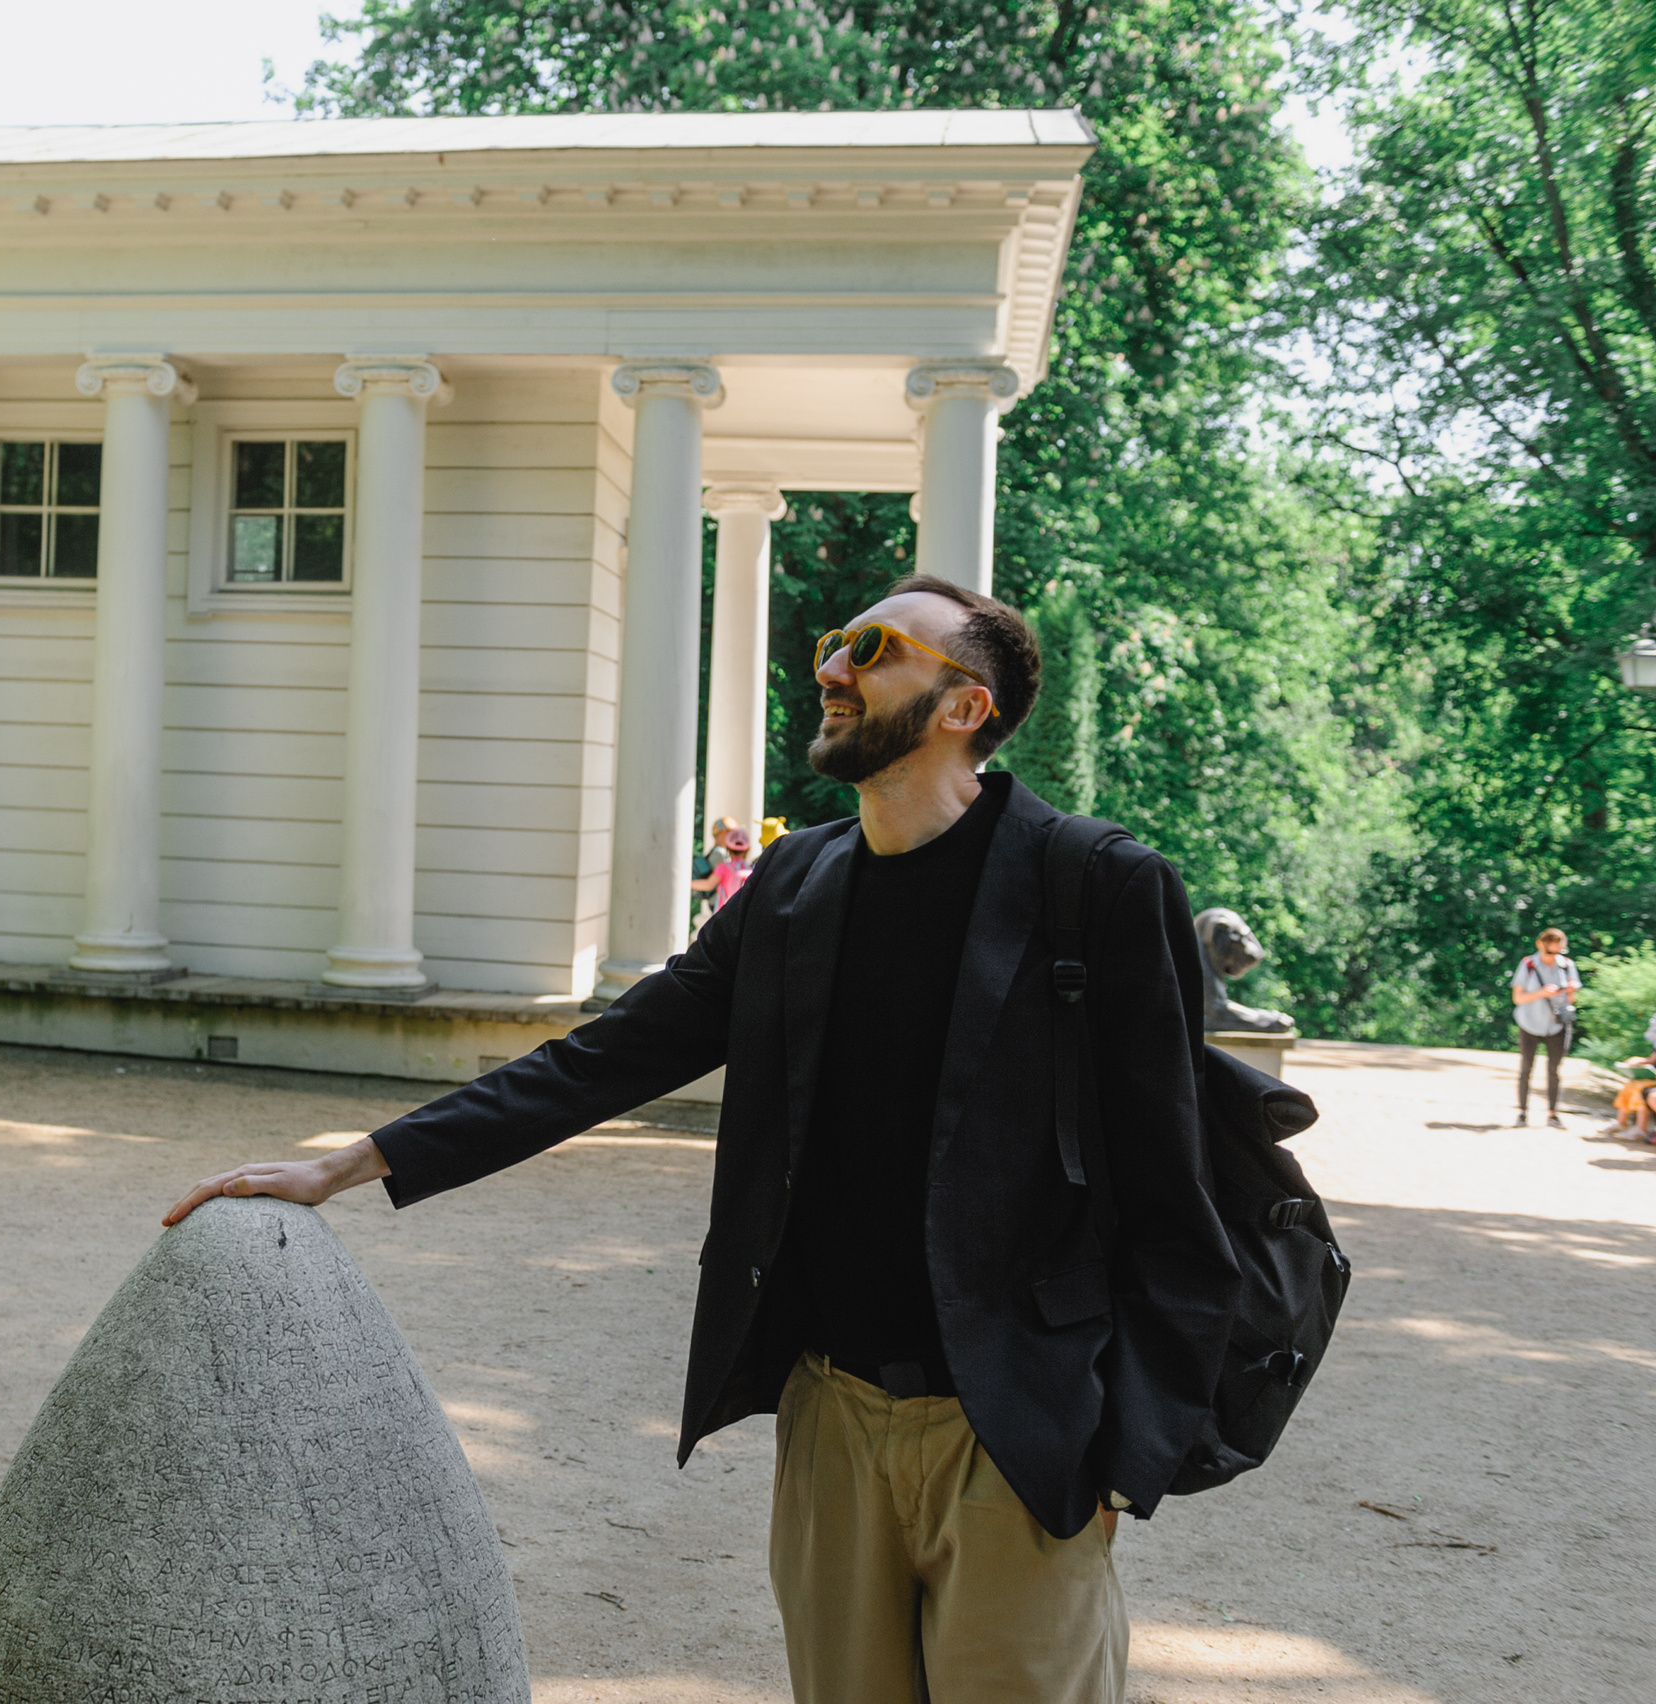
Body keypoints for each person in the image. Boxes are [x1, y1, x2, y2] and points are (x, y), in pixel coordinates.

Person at [166, 573, 1238, 1704]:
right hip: (831, 1418)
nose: (831, 667)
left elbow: (1175, 1182)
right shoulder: (792, 885)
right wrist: (352, 1161)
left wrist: (1126, 1450)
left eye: (872, 649)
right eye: (835, 642)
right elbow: (605, 1057)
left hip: (1021, 1424)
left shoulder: (1098, 886)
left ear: (966, 705)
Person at [1510, 928, 1580, 1126]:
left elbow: (1571, 999)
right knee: (1526, 1068)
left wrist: (1569, 991)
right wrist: (1541, 993)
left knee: (1554, 1070)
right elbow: (1518, 998)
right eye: (1552, 945)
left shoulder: (1567, 965)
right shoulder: (1528, 965)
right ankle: (1522, 1112)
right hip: (1529, 1022)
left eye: (1559, 946)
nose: (1555, 950)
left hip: (1556, 1024)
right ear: (1541, 944)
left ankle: (1553, 1113)